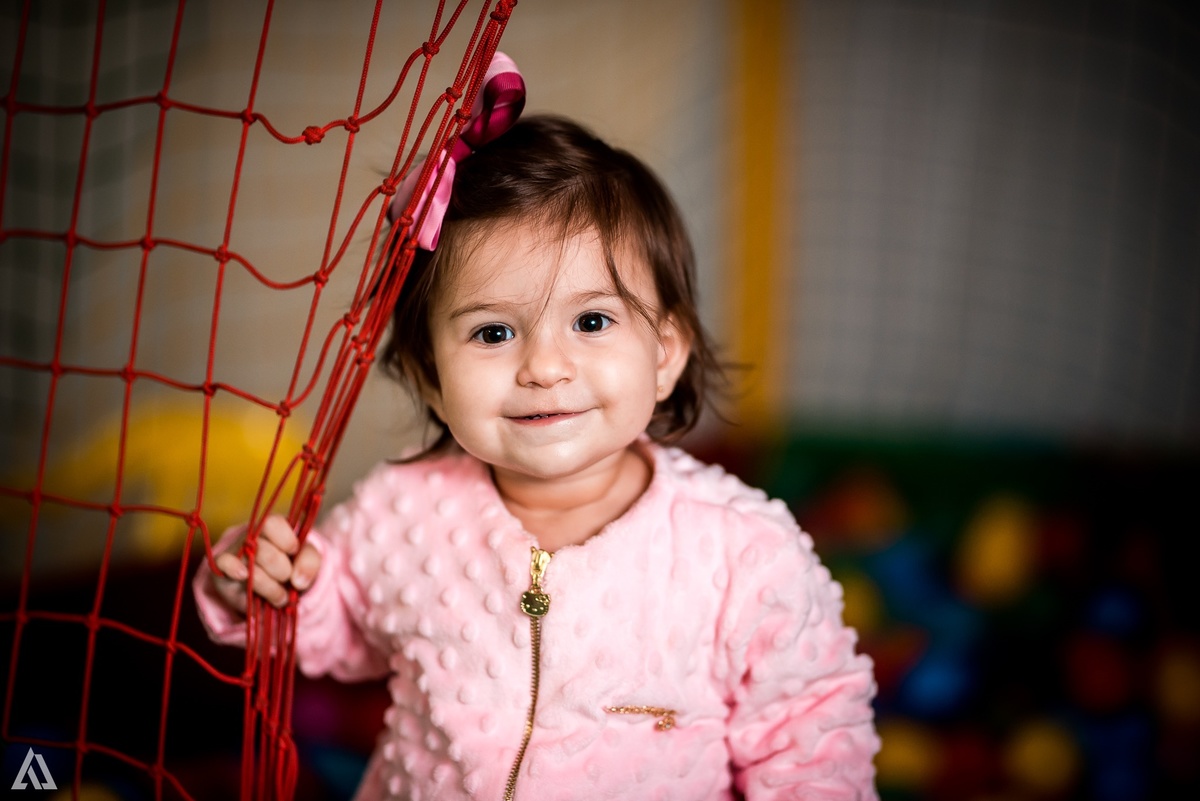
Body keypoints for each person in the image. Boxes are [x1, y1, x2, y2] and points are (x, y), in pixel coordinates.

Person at [194, 52, 879, 801]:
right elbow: (341, 628)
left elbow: (813, 739)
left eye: (591, 320)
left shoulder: (744, 550)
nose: (544, 367)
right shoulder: (402, 510)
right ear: (427, 374)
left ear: (665, 355)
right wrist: (269, 587)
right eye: (493, 333)